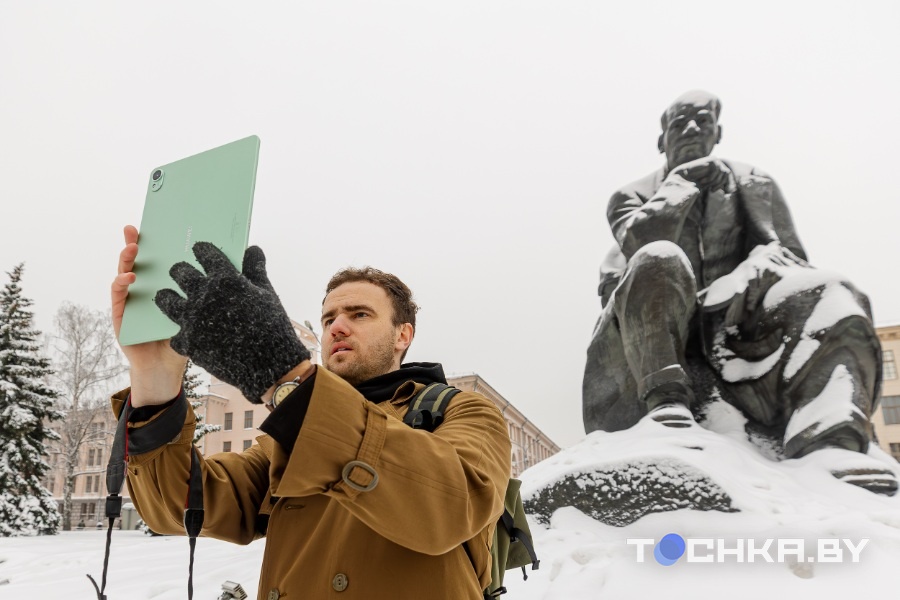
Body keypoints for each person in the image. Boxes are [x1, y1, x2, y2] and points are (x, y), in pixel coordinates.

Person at [110, 224, 511, 598]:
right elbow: (184, 506)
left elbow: (449, 509)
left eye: (359, 314)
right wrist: (154, 377)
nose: (337, 327)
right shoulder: (285, 438)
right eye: (328, 318)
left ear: (402, 335)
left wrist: (287, 378)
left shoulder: (465, 411)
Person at [583, 91, 890, 488]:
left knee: (832, 290)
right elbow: (636, 246)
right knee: (659, 256)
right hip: (656, 340)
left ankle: (831, 439)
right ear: (662, 140)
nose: (692, 129)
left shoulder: (754, 183)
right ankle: (666, 402)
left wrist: (753, 271)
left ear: (718, 133)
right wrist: (681, 185)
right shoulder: (632, 197)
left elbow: (790, 255)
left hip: (738, 327)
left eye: (702, 121)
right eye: (679, 123)